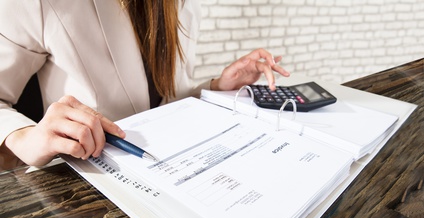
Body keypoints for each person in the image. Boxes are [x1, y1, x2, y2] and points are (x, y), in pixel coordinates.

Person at [0, 0, 289, 171]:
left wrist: (217, 84)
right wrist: (25, 137)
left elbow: (165, 97)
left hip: (166, 165)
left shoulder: (185, 5)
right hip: (87, 181)